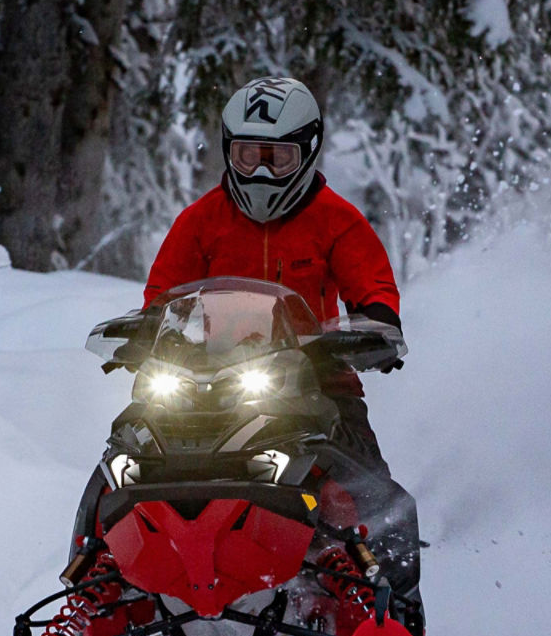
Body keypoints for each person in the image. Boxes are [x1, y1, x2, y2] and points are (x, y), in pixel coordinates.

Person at [143, 76, 403, 468]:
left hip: (316, 376)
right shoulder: (200, 221)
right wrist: (146, 329)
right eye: (249, 157)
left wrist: (379, 324)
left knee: (363, 475)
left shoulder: (337, 220)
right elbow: (163, 294)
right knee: (133, 445)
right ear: (229, 151)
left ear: (308, 152)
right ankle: (103, 525)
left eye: (278, 159)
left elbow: (373, 285)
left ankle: (384, 528)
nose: (261, 173)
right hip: (205, 379)